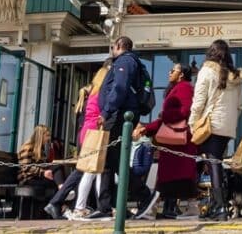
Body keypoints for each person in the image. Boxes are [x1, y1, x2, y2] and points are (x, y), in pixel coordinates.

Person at [45, 62, 111, 220]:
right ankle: (65, 204)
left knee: (90, 170)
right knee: (85, 170)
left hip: (86, 132)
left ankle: (85, 206)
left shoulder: (92, 92)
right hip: (94, 133)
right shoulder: (102, 93)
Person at [189, 38, 242, 221]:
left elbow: (198, 102)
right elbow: (239, 106)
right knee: (216, 162)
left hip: (211, 123)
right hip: (227, 126)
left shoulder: (206, 72)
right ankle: (216, 205)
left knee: (213, 163)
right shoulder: (236, 76)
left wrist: (193, 123)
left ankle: (220, 207)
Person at [138, 61, 199, 220]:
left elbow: (185, 110)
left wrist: (164, 116)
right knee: (174, 177)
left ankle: (153, 209)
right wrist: (149, 128)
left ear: (181, 75)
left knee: (170, 177)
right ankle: (191, 208)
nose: (169, 72)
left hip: (179, 143)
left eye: (173, 70)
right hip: (175, 143)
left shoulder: (184, 87)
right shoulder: (176, 89)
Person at [92, 36, 143, 219]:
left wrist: (106, 112)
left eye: (113, 46)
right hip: (117, 114)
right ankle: (105, 206)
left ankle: (143, 195)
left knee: (115, 160)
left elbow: (119, 88)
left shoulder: (125, 61)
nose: (112, 49)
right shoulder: (125, 61)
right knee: (109, 160)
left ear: (120, 46)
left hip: (120, 114)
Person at [18, 125, 58, 219]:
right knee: (51, 184)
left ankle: (54, 209)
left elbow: (44, 165)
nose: (48, 139)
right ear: (41, 136)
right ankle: (57, 209)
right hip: (28, 179)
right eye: (47, 136)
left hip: (37, 177)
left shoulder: (41, 150)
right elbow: (26, 168)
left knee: (56, 170)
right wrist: (43, 172)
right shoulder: (27, 147)